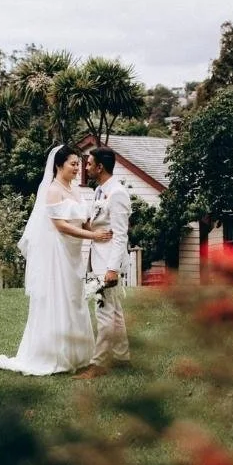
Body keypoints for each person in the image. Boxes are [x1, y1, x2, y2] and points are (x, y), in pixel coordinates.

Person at [0, 145, 112, 376]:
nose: (77, 168)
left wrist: (100, 228)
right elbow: (61, 225)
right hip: (58, 252)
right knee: (59, 296)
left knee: (74, 298)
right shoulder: (53, 191)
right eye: (73, 164)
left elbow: (82, 219)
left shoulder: (75, 190)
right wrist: (92, 236)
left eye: (79, 164)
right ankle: (53, 355)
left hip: (74, 252)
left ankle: (79, 354)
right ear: (59, 165)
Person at [74, 146, 132, 379]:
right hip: (96, 258)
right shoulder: (99, 191)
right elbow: (95, 224)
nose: (85, 168)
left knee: (104, 312)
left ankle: (98, 364)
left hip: (108, 262)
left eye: (89, 164)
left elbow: (120, 235)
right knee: (114, 311)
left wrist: (111, 269)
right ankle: (122, 356)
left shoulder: (117, 193)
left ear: (100, 167)